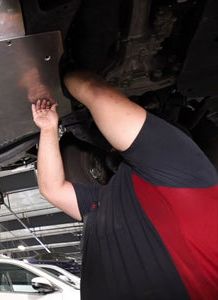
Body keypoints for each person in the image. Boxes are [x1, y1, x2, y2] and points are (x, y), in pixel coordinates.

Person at [31, 70, 218, 299]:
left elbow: (52, 189)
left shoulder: (109, 199)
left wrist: (49, 126)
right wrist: (61, 73)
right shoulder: (181, 169)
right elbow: (96, 93)